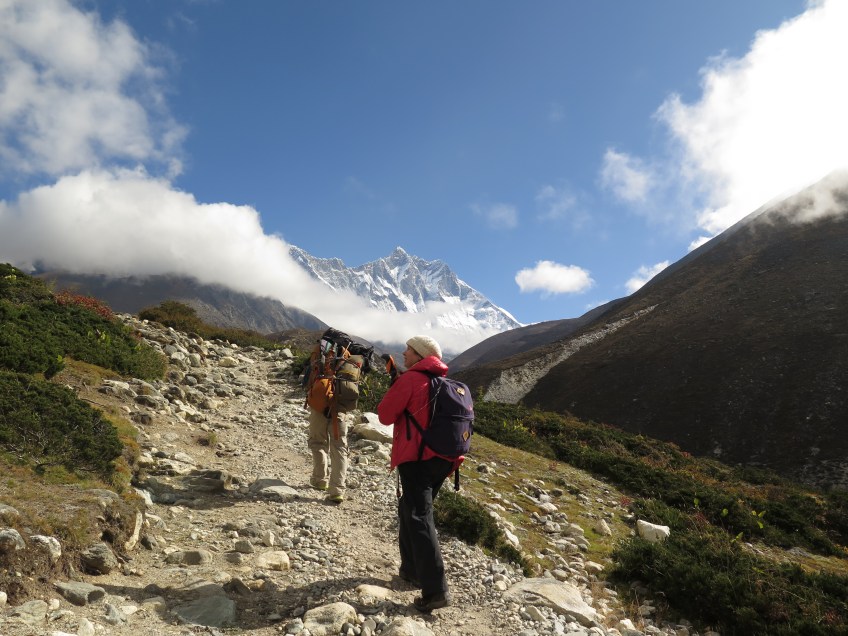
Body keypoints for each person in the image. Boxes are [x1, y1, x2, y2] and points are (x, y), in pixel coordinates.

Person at [377, 335, 457, 612]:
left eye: (409, 350)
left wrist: (395, 388)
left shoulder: (411, 379)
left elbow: (384, 415)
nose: (404, 353)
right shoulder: (443, 382)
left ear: (421, 355)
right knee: (409, 509)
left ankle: (435, 591)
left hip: (417, 459)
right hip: (443, 460)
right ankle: (411, 570)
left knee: (419, 516)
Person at [307, 406, 350, 504]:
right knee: (340, 448)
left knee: (317, 443)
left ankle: (320, 480)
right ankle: (337, 490)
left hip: (319, 408)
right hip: (340, 411)